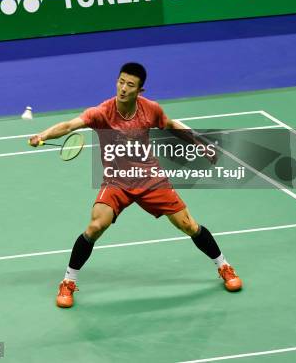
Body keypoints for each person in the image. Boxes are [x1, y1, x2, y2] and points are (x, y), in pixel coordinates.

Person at [29, 63, 242, 308]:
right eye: (120, 82)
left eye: (130, 85)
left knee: (188, 225)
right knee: (96, 225)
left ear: (140, 90)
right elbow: (69, 126)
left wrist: (199, 142)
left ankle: (224, 266)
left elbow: (171, 125)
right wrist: (42, 135)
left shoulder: (150, 110)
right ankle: (68, 282)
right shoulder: (101, 112)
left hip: (150, 178)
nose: (123, 88)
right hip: (116, 180)